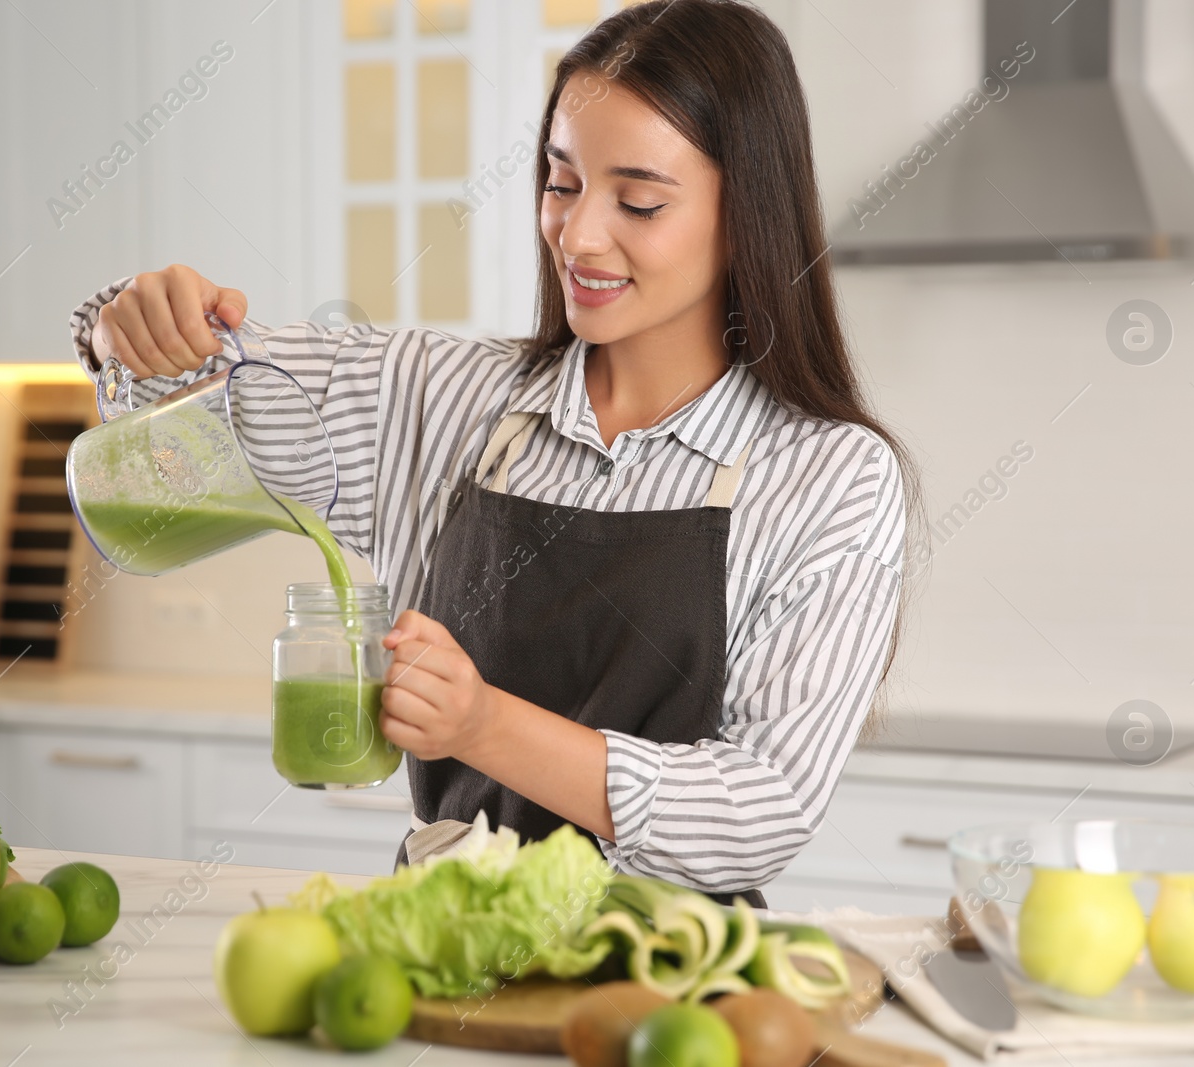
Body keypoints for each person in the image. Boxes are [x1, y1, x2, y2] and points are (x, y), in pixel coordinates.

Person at [68, 0, 916, 906]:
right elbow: (206, 390)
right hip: (438, 953)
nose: (580, 236)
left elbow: (757, 813)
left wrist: (482, 724)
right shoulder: (445, 398)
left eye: (638, 201)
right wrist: (138, 324)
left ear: (746, 214)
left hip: (665, 986)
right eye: (560, 183)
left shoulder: (831, 478)